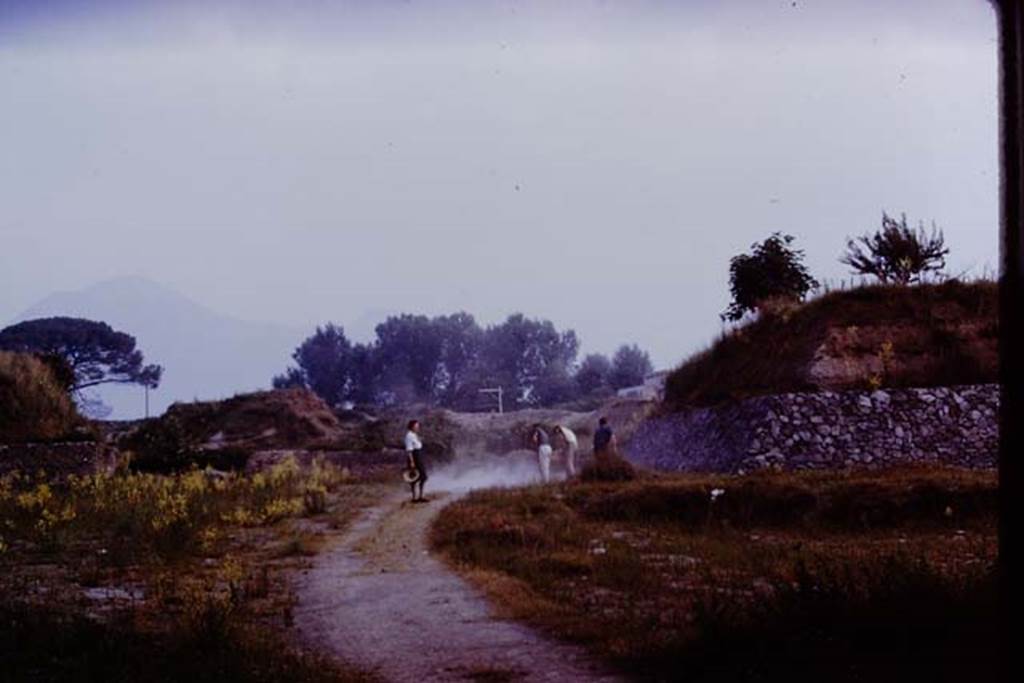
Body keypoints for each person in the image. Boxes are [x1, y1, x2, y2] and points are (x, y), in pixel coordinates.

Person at [405, 419, 428, 503]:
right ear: (411, 426)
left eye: (418, 426)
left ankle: (420, 496)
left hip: (419, 456)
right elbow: (409, 450)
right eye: (416, 426)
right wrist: (412, 461)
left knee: (422, 477)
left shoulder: (414, 435)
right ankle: (415, 497)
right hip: (415, 457)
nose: (417, 427)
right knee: (415, 477)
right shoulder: (409, 436)